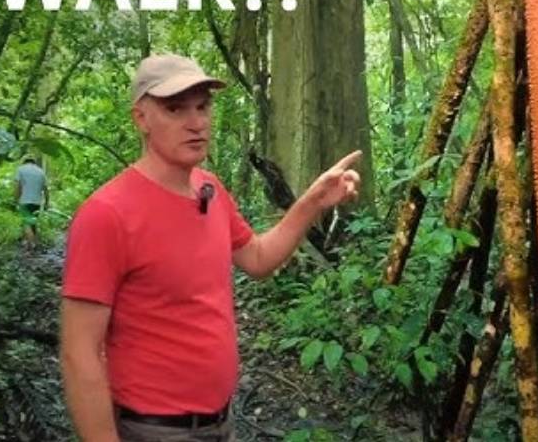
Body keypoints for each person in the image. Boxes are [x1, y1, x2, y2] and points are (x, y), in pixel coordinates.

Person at [59, 53, 362, 442]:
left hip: (220, 423)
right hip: (153, 430)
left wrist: (312, 202)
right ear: (141, 118)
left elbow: (256, 258)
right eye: (174, 108)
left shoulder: (210, 189)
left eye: (202, 107)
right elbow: (79, 353)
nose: (196, 122)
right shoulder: (107, 214)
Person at [14, 156, 48, 245]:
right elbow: (45, 189)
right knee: (33, 223)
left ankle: (32, 244)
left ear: (25, 162)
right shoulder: (41, 172)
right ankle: (33, 243)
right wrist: (47, 202)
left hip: (24, 201)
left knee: (26, 223)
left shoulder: (20, 169)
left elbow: (18, 186)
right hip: (37, 202)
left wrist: (15, 199)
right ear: (34, 163)